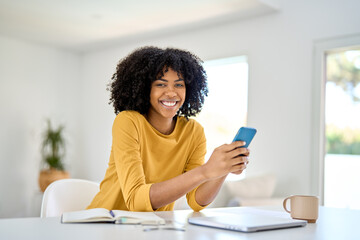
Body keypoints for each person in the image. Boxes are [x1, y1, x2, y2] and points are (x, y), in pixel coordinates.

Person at [87, 46, 250, 212]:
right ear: (145, 89)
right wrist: (205, 171)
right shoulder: (128, 121)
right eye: (161, 84)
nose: (171, 93)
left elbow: (196, 201)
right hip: (105, 223)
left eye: (179, 85)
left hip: (154, 228)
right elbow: (136, 200)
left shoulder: (193, 132)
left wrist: (222, 169)